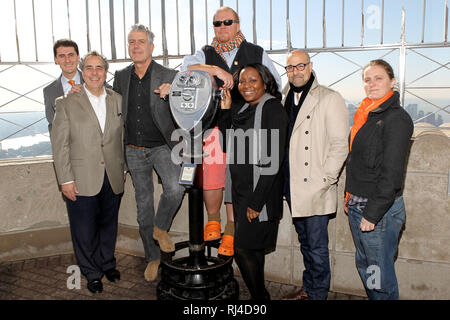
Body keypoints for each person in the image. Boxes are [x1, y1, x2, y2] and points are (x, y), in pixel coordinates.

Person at [181, 6, 281, 256]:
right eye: (217, 23)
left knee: (237, 178)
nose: (222, 27)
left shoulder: (256, 52)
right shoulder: (204, 53)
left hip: (246, 128)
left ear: (238, 24)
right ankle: (212, 219)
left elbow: (275, 83)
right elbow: (185, 70)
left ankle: (231, 228)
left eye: (228, 22)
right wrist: (215, 70)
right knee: (212, 173)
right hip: (214, 123)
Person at [113, 24, 185, 282]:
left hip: (162, 147)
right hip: (133, 149)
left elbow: (188, 103)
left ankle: (160, 228)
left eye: (141, 41)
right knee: (143, 207)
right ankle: (153, 258)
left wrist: (173, 93)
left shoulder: (169, 74)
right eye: (131, 41)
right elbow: (113, 113)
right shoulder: (121, 77)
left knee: (176, 188)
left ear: (151, 47)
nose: (135, 46)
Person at [51, 51, 125, 294]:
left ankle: (107, 263)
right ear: (84, 72)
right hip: (80, 178)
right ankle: (91, 272)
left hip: (112, 175)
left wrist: (122, 167)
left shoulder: (117, 100)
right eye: (90, 68)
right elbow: (60, 145)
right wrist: (66, 180)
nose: (95, 72)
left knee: (108, 225)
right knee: (84, 229)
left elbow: (120, 138)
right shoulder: (66, 103)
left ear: (106, 72)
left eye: (100, 68)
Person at [282, 50, 349, 300]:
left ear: (310, 66)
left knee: (318, 249)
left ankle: (318, 294)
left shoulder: (330, 98)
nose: (295, 71)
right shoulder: (286, 96)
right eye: (290, 68)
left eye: (300, 66)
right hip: (293, 186)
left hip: (314, 187)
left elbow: (340, 144)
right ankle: (308, 289)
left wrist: (325, 180)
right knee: (306, 245)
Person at [345, 59, 413, 300]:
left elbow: (392, 175)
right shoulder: (367, 114)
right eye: (367, 79)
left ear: (392, 82)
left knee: (378, 275)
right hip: (358, 204)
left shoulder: (397, 118)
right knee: (366, 266)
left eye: (379, 78)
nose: (372, 83)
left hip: (377, 210)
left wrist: (371, 214)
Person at [218, 63, 287, 299]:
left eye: (253, 80)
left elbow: (273, 160)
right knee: (253, 250)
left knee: (243, 248)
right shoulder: (243, 109)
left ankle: (260, 298)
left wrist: (256, 203)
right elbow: (228, 143)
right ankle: (261, 297)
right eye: (242, 81)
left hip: (259, 195)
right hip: (241, 192)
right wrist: (225, 110)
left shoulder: (272, 109)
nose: (246, 85)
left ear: (265, 83)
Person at [43, 39, 83, 132]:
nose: (67, 60)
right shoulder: (49, 91)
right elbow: (53, 125)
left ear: (78, 57)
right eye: (62, 56)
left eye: (71, 55)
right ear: (56, 60)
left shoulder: (95, 81)